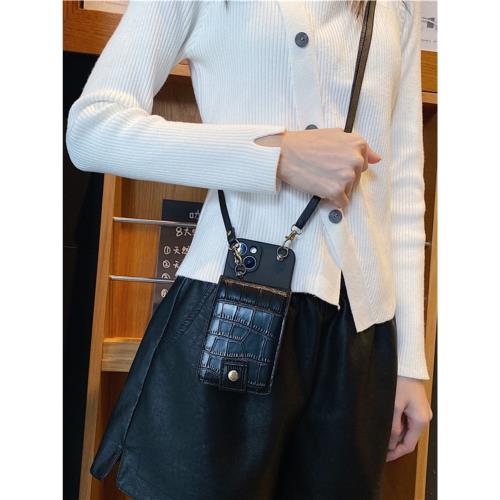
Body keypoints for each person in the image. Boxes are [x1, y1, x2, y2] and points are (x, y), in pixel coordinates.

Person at [66, 1, 433, 498]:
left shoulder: (396, 9)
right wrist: (275, 155)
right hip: (235, 312)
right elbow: (92, 129)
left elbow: (401, 186)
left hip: (361, 334)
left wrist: (409, 362)